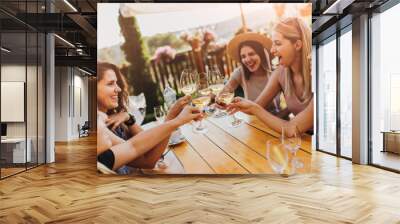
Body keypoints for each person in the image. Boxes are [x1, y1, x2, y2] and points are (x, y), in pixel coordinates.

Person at [97, 62, 202, 171]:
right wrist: (174, 119)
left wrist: (128, 118)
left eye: (117, 83)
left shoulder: (115, 121)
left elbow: (144, 148)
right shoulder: (101, 132)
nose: (118, 89)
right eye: (110, 83)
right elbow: (146, 158)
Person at [227, 17, 313, 137]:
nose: (272, 50)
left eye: (277, 43)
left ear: (297, 45)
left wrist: (254, 108)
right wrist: (238, 104)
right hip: (302, 140)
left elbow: (291, 130)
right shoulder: (280, 73)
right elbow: (256, 106)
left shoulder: (319, 74)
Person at [224, 32, 285, 115]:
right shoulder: (240, 73)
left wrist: (281, 115)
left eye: (251, 54)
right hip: (253, 120)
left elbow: (290, 105)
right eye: (243, 56)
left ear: (261, 54)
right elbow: (226, 91)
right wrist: (217, 97)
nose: (247, 59)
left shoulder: (276, 73)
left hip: (276, 118)